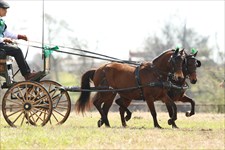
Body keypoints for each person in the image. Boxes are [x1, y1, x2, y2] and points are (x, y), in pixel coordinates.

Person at [0, 0, 40, 80]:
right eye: (4, 9)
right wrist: (4, 39)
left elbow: (7, 33)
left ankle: (24, 74)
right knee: (17, 50)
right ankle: (27, 74)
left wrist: (19, 36)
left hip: (1, 46)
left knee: (15, 48)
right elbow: (4, 37)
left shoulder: (1, 22)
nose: (6, 11)